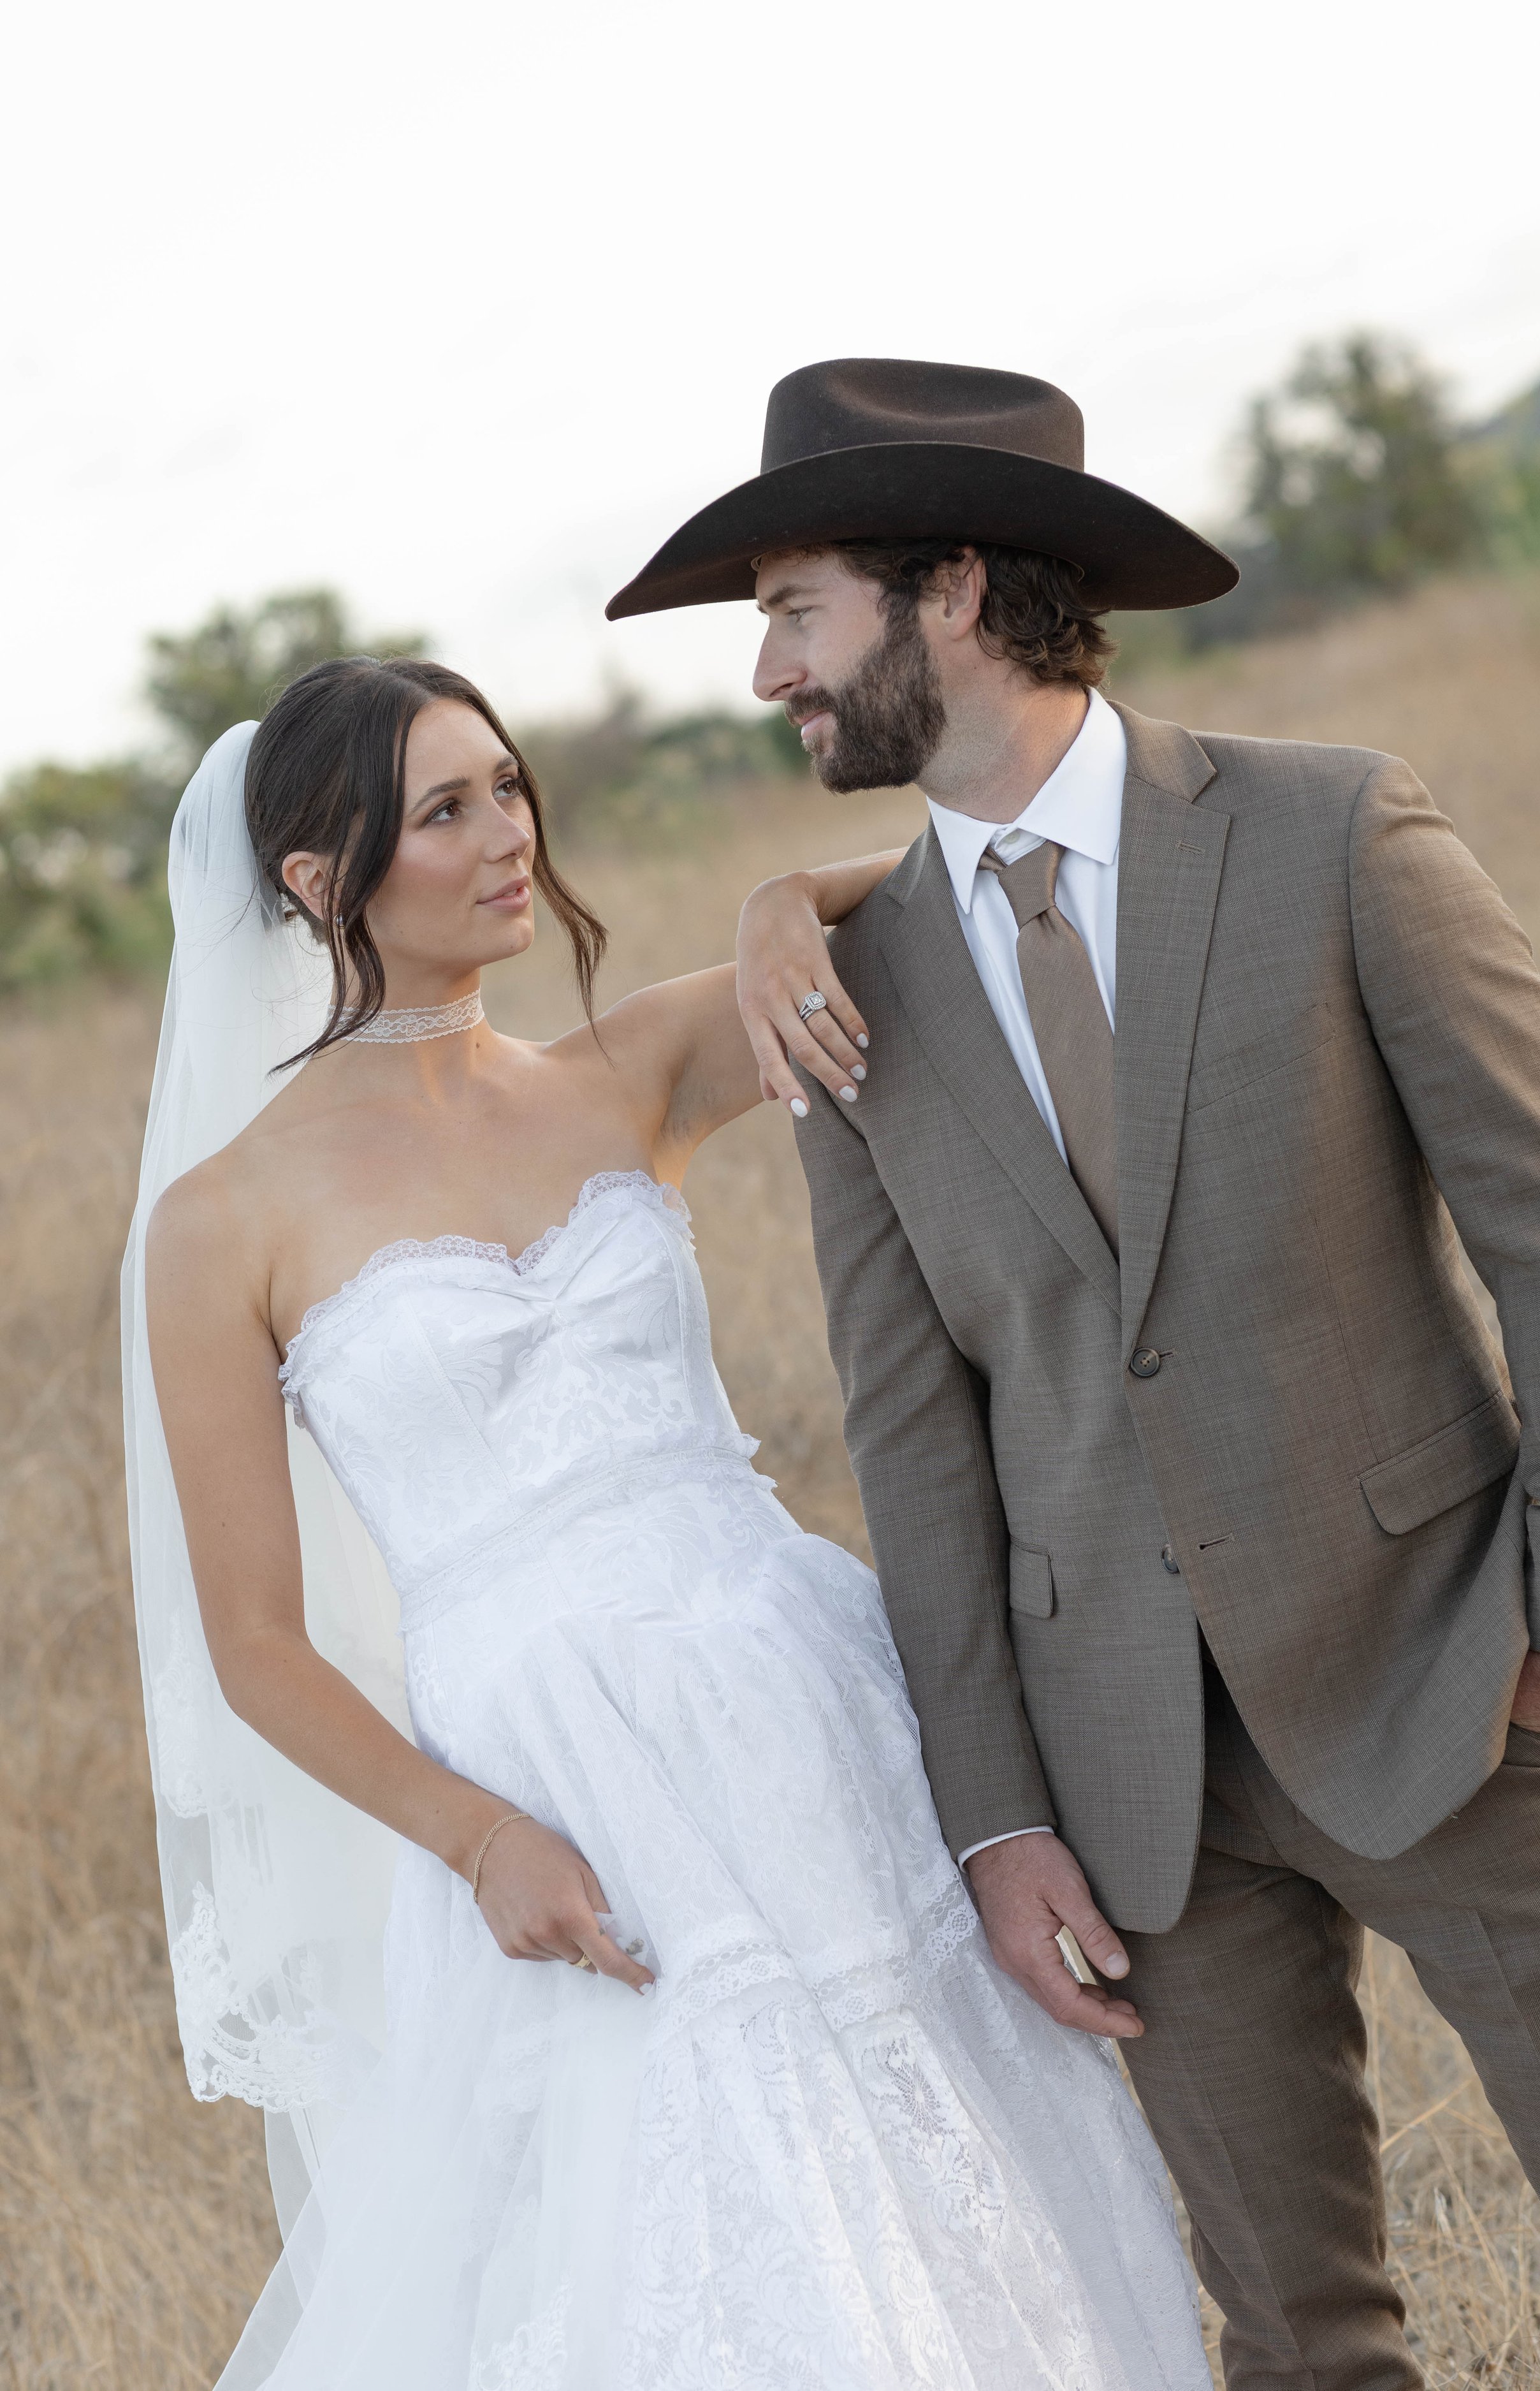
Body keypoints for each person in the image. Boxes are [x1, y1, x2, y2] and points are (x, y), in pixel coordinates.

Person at [611, 355, 1540, 2388]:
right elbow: (912, 1433)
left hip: (1453, 1689)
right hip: (1132, 1798)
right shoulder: (844, 984)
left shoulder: (1334, 833)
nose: (775, 672)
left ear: (949, 587)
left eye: (796, 609)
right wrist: (994, 1820)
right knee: (1296, 2344)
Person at [127, 652, 1210, 2388]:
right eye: (444, 809)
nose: (507, 836)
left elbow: (937, 901)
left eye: (506, 786)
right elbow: (252, 1646)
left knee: (965, 2169)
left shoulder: (623, 1066)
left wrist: (781, 901)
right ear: (318, 885)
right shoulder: (220, 1221)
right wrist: (479, 1839)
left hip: (797, 1690)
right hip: (557, 1773)